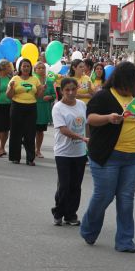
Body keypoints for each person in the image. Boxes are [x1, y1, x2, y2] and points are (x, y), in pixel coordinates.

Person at [80, 62, 135, 253]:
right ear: (122, 80)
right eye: (133, 80)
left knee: (126, 199)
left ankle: (125, 240)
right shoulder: (104, 95)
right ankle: (89, 229)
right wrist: (108, 118)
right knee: (104, 195)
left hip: (134, 157)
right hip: (108, 156)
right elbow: (90, 118)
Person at [51, 77, 89, 226]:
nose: (71, 92)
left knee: (76, 185)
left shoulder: (81, 104)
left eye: (73, 89)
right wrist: (81, 137)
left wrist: (88, 139)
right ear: (62, 91)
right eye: (67, 90)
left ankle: (71, 214)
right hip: (63, 152)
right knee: (64, 185)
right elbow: (63, 129)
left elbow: (86, 124)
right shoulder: (58, 107)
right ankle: (58, 212)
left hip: (79, 152)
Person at [7, 58, 43, 166]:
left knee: (30, 133)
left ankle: (30, 158)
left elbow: (38, 96)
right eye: (24, 66)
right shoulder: (15, 78)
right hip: (17, 106)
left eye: (28, 66)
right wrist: (11, 88)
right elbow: (9, 95)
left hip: (31, 107)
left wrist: (42, 90)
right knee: (16, 132)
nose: (26, 68)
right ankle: (15, 157)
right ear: (20, 68)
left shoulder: (35, 79)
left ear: (31, 68)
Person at [34, 61, 56, 158]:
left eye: (43, 68)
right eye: (39, 68)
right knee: (31, 131)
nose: (41, 70)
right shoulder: (33, 80)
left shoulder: (49, 81)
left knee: (40, 131)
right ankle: (30, 149)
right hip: (33, 107)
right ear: (35, 70)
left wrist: (50, 97)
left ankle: (38, 150)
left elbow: (54, 95)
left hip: (44, 109)